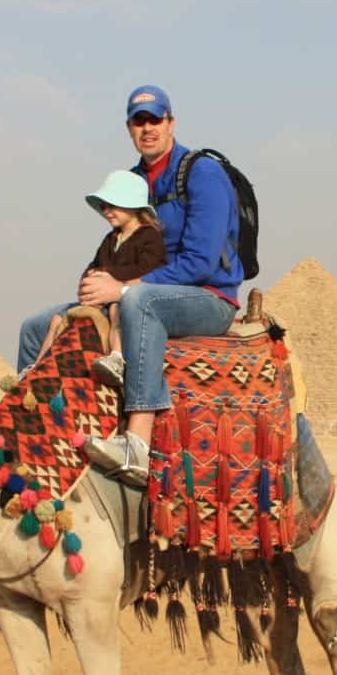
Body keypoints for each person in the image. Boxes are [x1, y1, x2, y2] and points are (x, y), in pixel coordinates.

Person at [16, 85, 243, 485]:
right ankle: (30, 431)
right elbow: (115, 251)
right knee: (37, 326)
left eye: (155, 119)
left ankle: (137, 443)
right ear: (129, 128)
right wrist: (93, 285)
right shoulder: (131, 183)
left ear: (170, 122)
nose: (147, 128)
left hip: (207, 298)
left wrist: (121, 289)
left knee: (140, 301)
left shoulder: (202, 172)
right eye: (139, 121)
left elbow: (201, 262)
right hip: (142, 293)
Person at [26, 170, 166, 375]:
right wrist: (88, 282)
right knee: (57, 319)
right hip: (101, 299)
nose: (107, 210)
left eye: (113, 204)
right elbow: (94, 264)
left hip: (127, 298)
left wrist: (109, 276)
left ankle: (116, 357)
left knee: (117, 309)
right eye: (104, 206)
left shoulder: (149, 237)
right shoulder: (111, 239)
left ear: (132, 205)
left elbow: (147, 268)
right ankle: (37, 368)